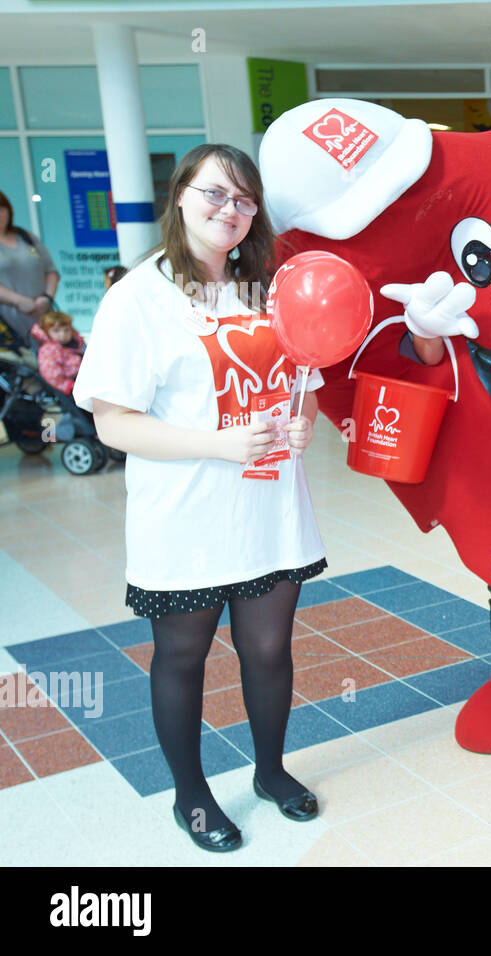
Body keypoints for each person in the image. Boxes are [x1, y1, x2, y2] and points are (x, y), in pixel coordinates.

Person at [73, 144, 327, 853]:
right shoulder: (139, 297)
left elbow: (301, 374)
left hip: (269, 507)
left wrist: (303, 415)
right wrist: (219, 443)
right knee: (182, 655)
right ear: (180, 196)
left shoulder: (264, 290)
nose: (230, 210)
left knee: (269, 650)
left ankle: (272, 772)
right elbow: (111, 420)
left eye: (245, 200)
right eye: (216, 194)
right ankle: (191, 795)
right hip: (185, 515)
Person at [0, 189, 59, 348]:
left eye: (2, 209)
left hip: (42, 316)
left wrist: (47, 298)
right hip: (7, 323)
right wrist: (19, 301)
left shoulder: (25, 236)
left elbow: (51, 270)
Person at [31, 310, 83, 395]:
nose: (62, 334)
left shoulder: (76, 344)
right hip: (70, 386)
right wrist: (68, 385)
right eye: (56, 331)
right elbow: (51, 374)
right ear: (46, 332)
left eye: (66, 330)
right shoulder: (48, 350)